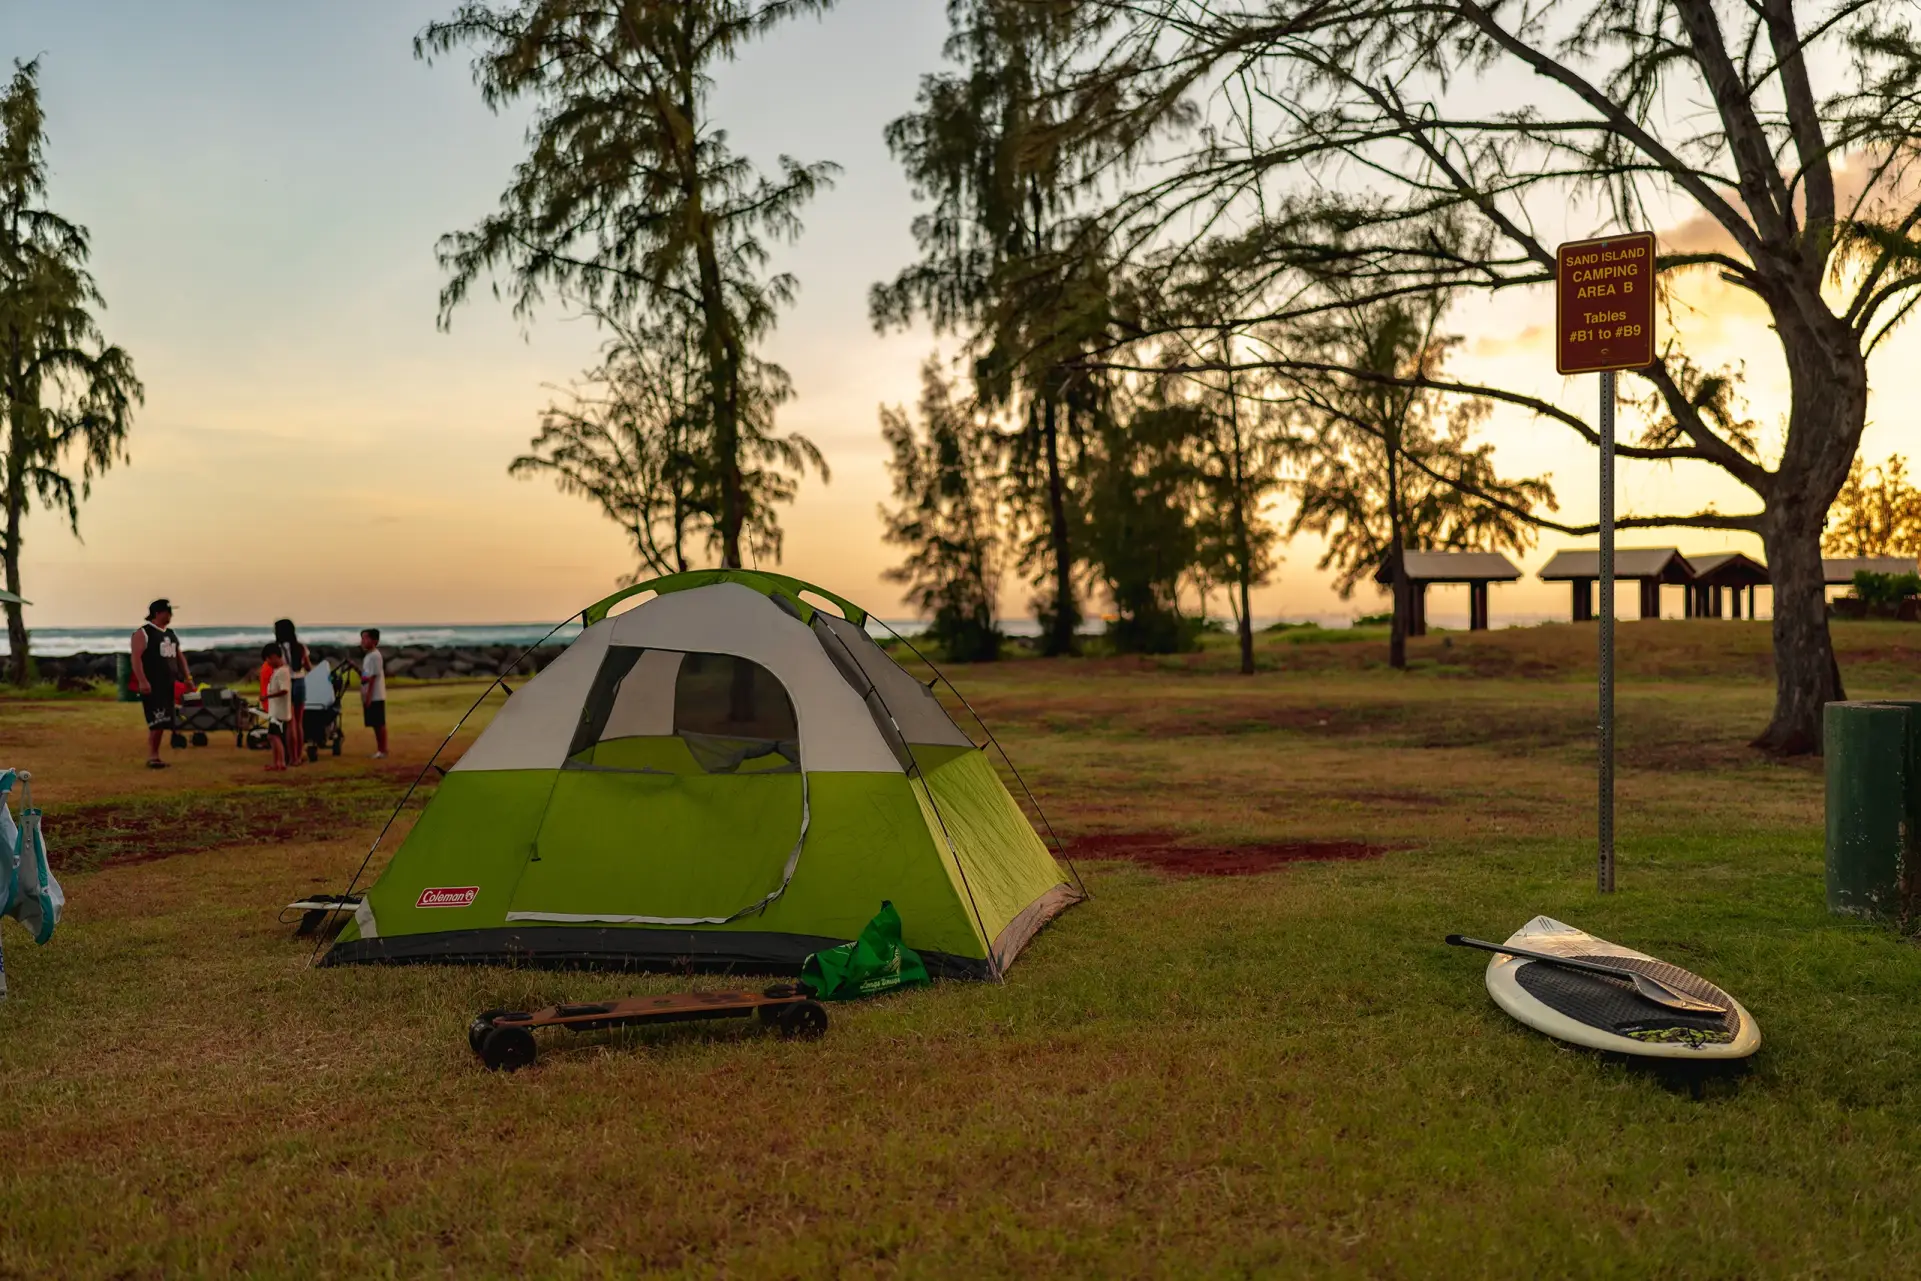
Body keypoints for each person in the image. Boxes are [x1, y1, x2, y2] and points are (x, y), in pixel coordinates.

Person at [131, 600, 191, 770]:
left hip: (169, 684)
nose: (171, 615)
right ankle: (153, 756)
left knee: (167, 719)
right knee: (157, 721)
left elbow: (179, 657)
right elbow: (136, 658)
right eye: (168, 611)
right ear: (158, 613)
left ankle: (158, 753)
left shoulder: (171, 634)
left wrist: (187, 677)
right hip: (153, 683)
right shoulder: (144, 633)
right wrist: (142, 680)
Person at [273, 619, 311, 767]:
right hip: (300, 681)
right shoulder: (300, 647)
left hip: (286, 682)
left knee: (290, 723)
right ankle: (299, 756)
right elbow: (308, 667)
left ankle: (292, 757)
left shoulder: (277, 649)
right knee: (299, 722)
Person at [260, 644, 292, 772]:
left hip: (279, 711)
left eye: (268, 659)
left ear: (274, 657)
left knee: (274, 736)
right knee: (273, 736)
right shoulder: (278, 671)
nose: (267, 663)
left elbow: (284, 690)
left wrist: (268, 696)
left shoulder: (282, 672)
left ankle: (281, 762)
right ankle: (277, 762)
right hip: (275, 711)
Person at [359, 628, 388, 759]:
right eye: (362, 638)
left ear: (374, 641)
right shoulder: (368, 656)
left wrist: (369, 696)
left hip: (376, 695)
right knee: (375, 724)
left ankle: (382, 749)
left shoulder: (375, 656)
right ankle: (380, 749)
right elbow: (366, 676)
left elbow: (373, 678)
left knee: (379, 723)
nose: (363, 641)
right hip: (369, 694)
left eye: (366, 638)